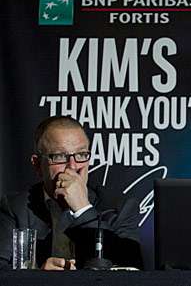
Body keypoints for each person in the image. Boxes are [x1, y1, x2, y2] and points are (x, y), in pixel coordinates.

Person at [0, 116, 143, 270]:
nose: (72, 167)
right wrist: (38, 277)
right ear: (37, 165)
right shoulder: (15, 208)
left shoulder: (119, 207)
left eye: (81, 155)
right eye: (59, 156)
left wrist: (83, 209)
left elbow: (131, 268)